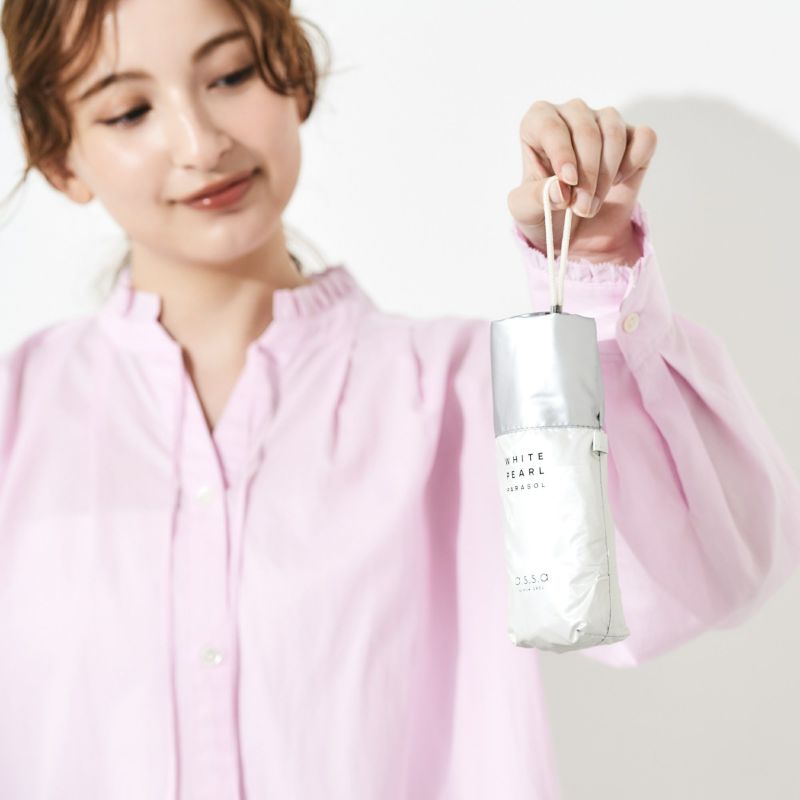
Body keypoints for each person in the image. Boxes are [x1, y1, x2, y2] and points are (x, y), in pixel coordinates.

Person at [1, 1, 798, 798]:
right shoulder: (18, 414)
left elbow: (703, 580)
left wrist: (589, 264)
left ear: (293, 74)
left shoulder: (463, 394)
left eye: (232, 75)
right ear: (59, 155)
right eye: (129, 111)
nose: (201, 142)